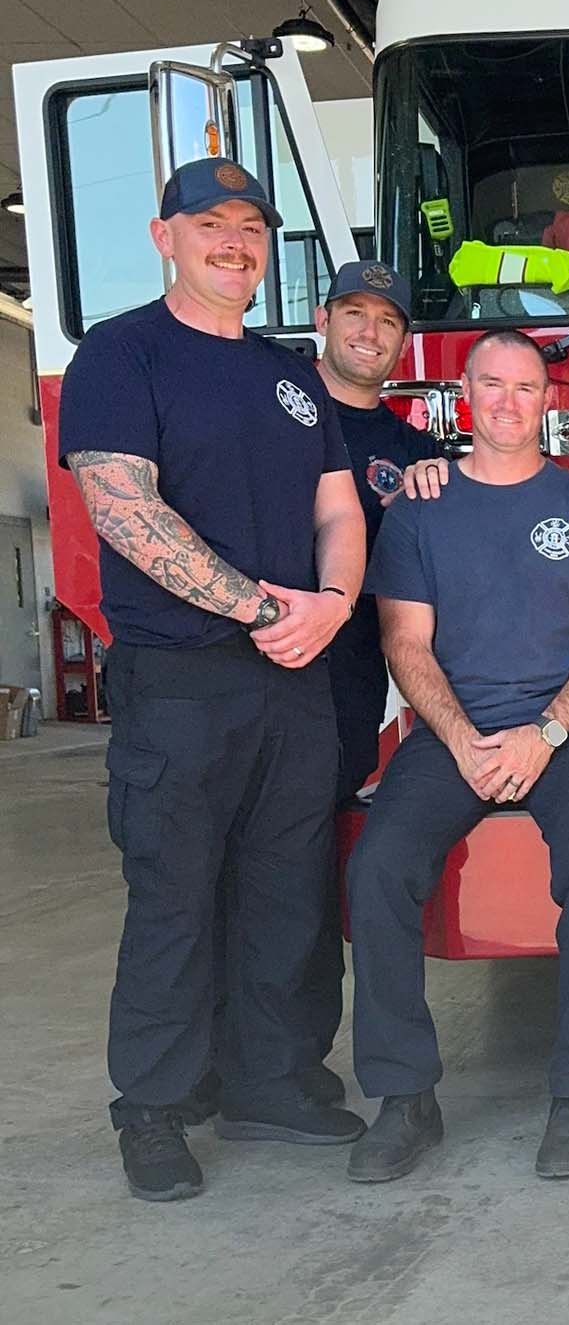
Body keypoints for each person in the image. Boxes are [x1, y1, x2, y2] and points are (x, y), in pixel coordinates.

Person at [58, 156, 367, 1203]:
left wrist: (328, 602)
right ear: (165, 236)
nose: (234, 243)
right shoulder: (121, 353)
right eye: (211, 224)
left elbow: (339, 505)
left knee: (288, 895)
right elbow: (122, 507)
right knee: (176, 899)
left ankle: (270, 1083)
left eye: (251, 227)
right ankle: (153, 1106)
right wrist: (261, 607)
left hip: (294, 677)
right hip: (183, 680)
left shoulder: (286, 372)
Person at [345, 329, 569, 1181]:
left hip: (567, 733)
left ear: (550, 400)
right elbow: (406, 641)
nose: (509, 402)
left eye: (527, 387)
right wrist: (468, 741)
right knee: (377, 868)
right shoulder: (420, 511)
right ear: (465, 395)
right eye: (492, 385)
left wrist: (542, 734)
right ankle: (405, 1097)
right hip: (452, 735)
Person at [298, 260, 442, 1097]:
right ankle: (218, 1065)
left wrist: (434, 482)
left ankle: (295, 1070)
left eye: (387, 321)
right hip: (259, 664)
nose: (369, 332)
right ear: (323, 317)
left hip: (349, 677)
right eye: (354, 313)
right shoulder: (275, 408)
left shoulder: (412, 451)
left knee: (312, 872)